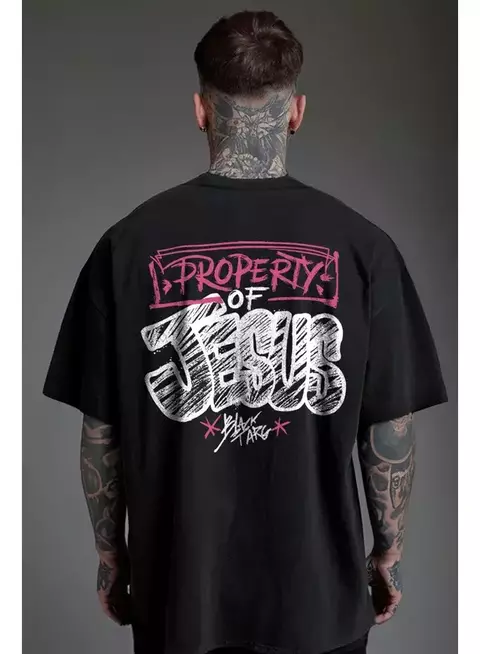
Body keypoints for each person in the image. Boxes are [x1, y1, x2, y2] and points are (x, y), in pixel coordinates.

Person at [43, 10, 448, 654]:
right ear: (297, 112)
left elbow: (101, 432)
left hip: (180, 605)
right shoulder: (364, 249)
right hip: (319, 604)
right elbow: (389, 428)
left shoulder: (126, 247)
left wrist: (111, 556)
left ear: (200, 110)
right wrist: (388, 552)